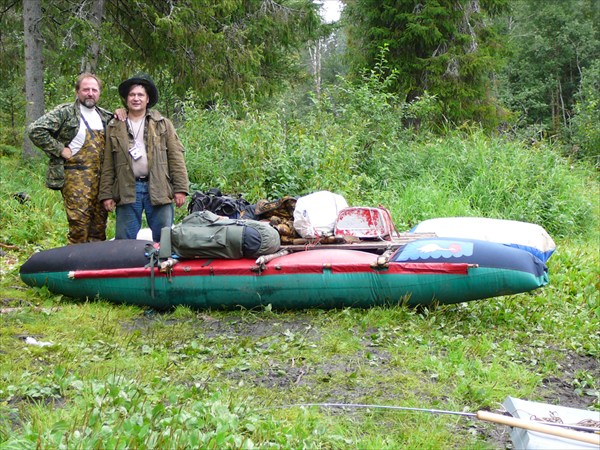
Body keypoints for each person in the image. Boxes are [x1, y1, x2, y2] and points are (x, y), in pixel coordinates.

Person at [99, 74, 189, 242]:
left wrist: (180, 189)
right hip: (127, 188)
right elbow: (108, 164)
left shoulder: (163, 124)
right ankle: (126, 267)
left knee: (164, 240)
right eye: (132, 95)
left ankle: (162, 267)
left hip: (159, 187)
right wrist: (106, 194)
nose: (136, 98)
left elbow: (176, 157)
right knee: (124, 240)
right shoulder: (114, 126)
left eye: (140, 95)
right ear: (126, 99)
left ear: (147, 99)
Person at [28, 73, 115, 244]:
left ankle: (94, 267)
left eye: (94, 90)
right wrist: (60, 149)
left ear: (99, 93)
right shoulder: (66, 113)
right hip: (75, 176)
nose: (90, 93)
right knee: (79, 225)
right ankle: (73, 267)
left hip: (101, 178)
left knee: (99, 226)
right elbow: (35, 130)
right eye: (86, 89)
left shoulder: (105, 116)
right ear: (77, 92)